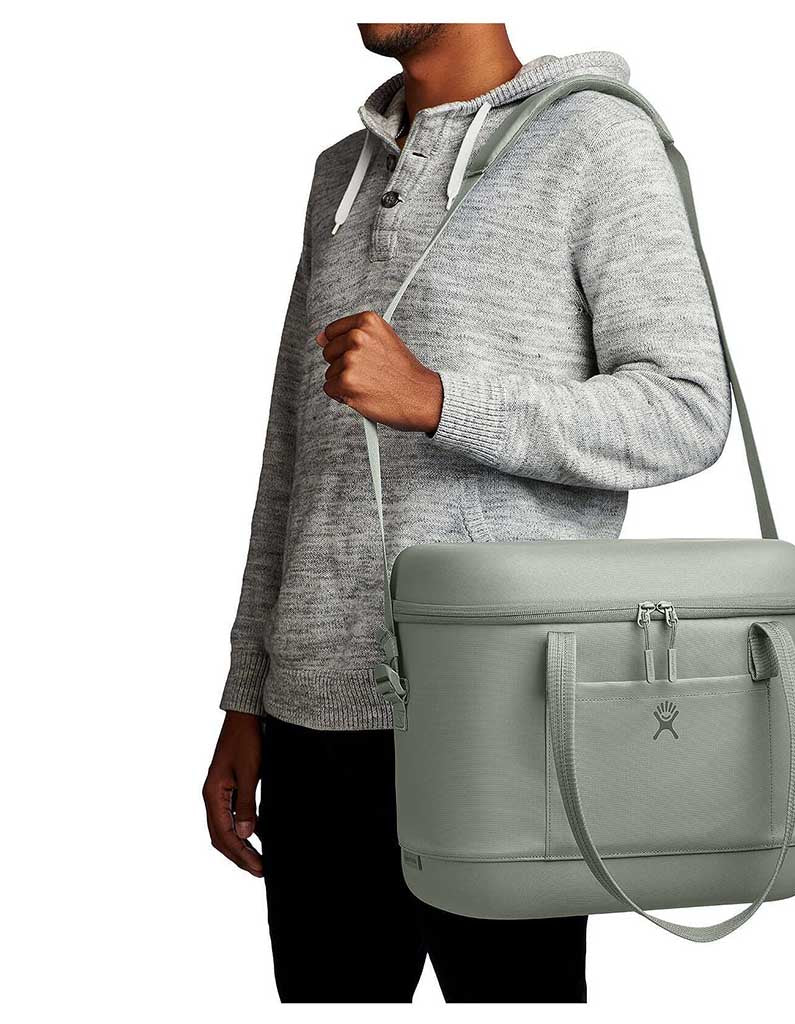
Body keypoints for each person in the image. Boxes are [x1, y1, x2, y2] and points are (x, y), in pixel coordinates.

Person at [203, 22, 730, 1003]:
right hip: (310, 720)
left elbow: (686, 410)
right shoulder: (337, 174)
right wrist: (247, 696)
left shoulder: (594, 138)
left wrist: (441, 399)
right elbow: (291, 456)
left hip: (502, 718)